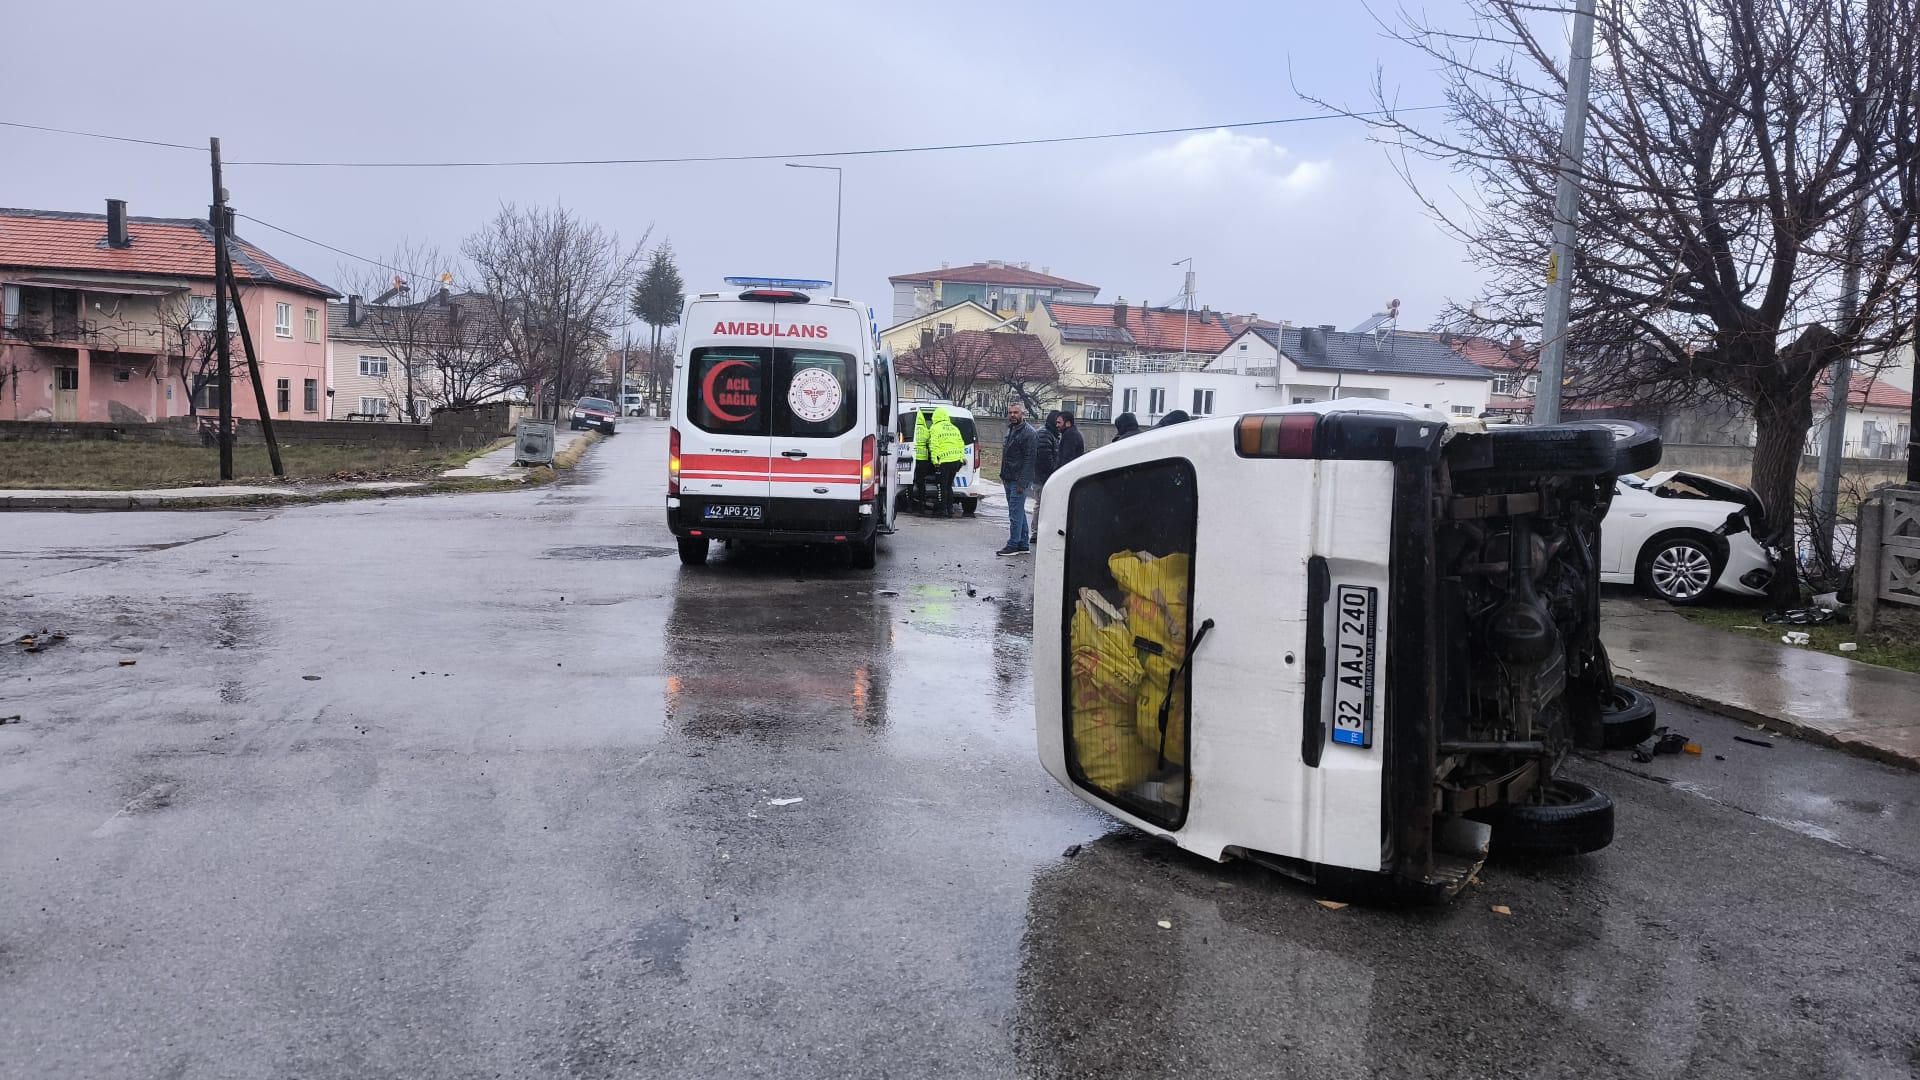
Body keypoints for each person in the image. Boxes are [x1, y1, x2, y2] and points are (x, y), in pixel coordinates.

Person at [998, 403, 1037, 556]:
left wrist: (1022, 482)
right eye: (1010, 412)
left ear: (1023, 414)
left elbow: (1030, 459)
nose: (1012, 415)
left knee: (1015, 514)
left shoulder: (1029, 433)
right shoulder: (1011, 430)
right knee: (1017, 512)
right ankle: (1022, 543)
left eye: (1016, 412)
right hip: (1008, 477)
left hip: (1019, 480)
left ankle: (1013, 544)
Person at [927, 406, 966, 518]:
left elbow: (934, 446)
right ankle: (950, 509)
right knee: (949, 486)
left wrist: (935, 461)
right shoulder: (954, 428)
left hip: (944, 461)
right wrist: (961, 458)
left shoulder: (935, 428)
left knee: (942, 486)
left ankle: (942, 510)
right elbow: (961, 444)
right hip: (956, 461)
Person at [911, 406, 936, 512]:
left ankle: (910, 504)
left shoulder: (911, 429)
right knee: (921, 483)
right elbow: (931, 446)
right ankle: (921, 503)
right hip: (923, 460)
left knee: (910, 482)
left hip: (911, 460)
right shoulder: (927, 430)